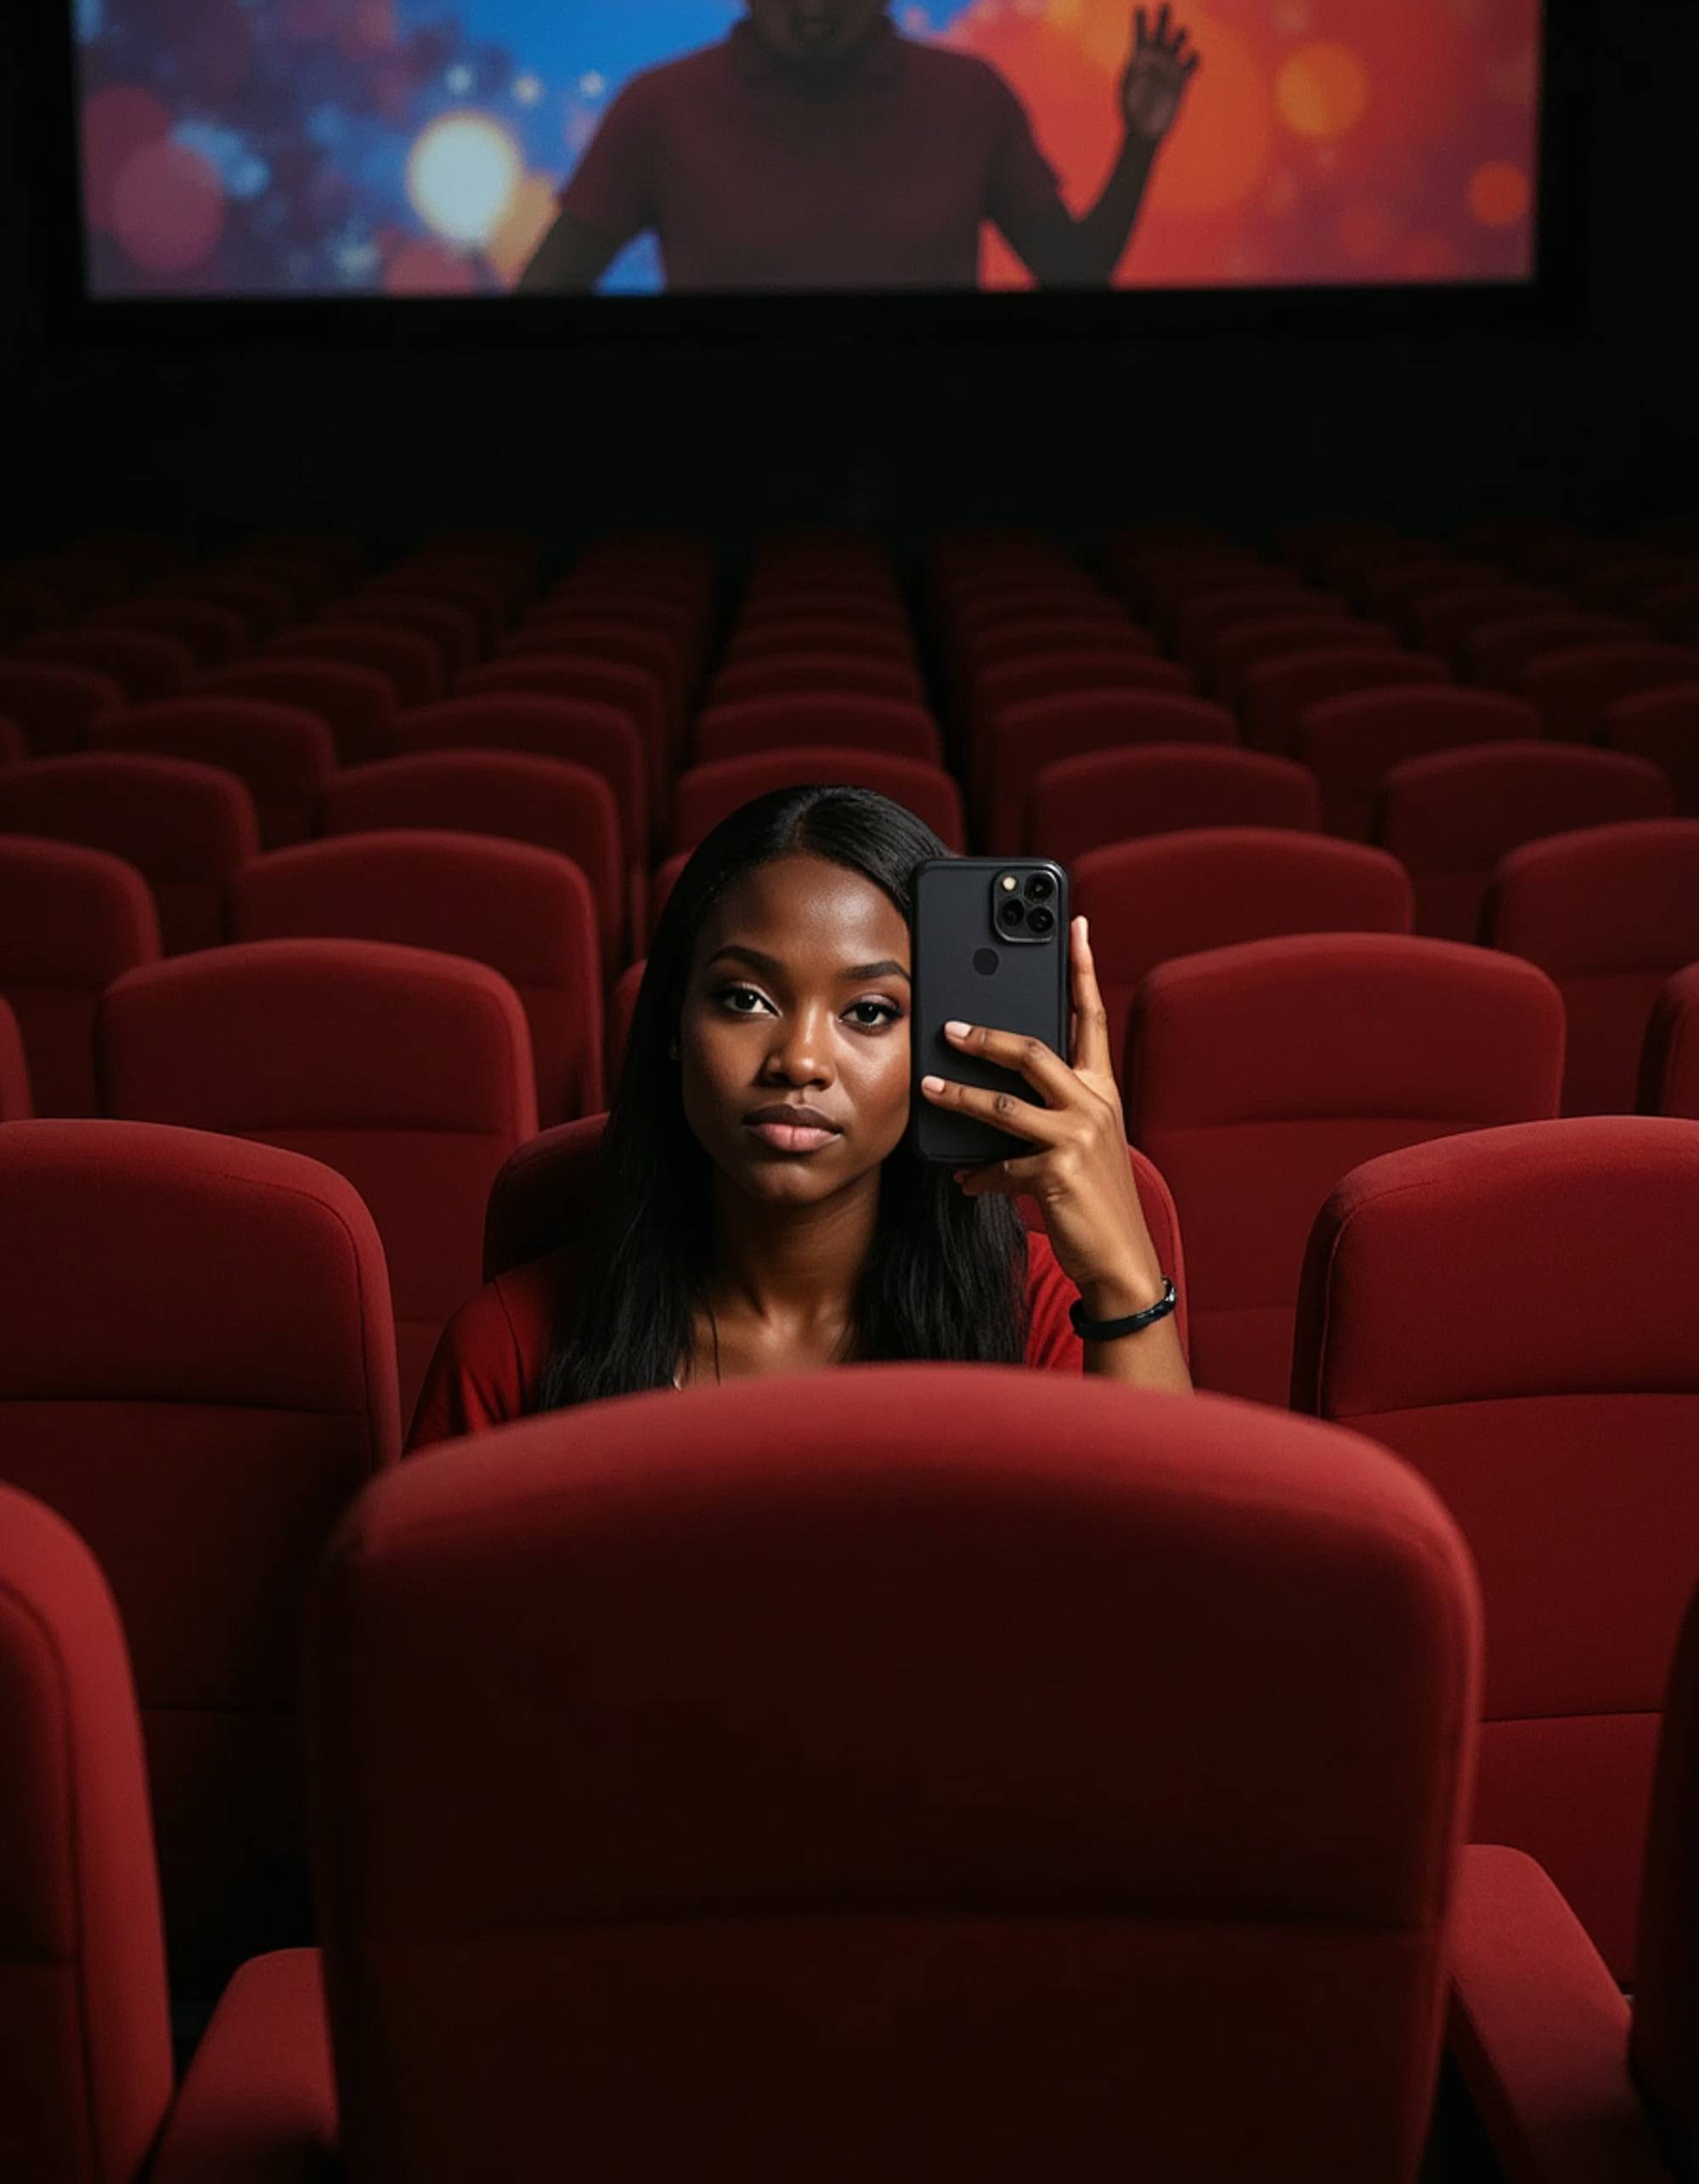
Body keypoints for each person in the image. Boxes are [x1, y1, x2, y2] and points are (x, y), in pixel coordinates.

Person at [409, 785, 1188, 1449]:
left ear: (933, 1047)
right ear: (675, 1026)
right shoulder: (509, 1346)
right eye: (745, 997)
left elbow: (1172, 1602)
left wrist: (1123, 1278)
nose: (801, 1058)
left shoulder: (1047, 1319)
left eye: (870, 1011)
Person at [518, 2, 1199, 294]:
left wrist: (1139, 146)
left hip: (941, 486)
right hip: (717, 491)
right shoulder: (657, 108)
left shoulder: (971, 98)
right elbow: (543, 295)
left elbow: (1073, 276)